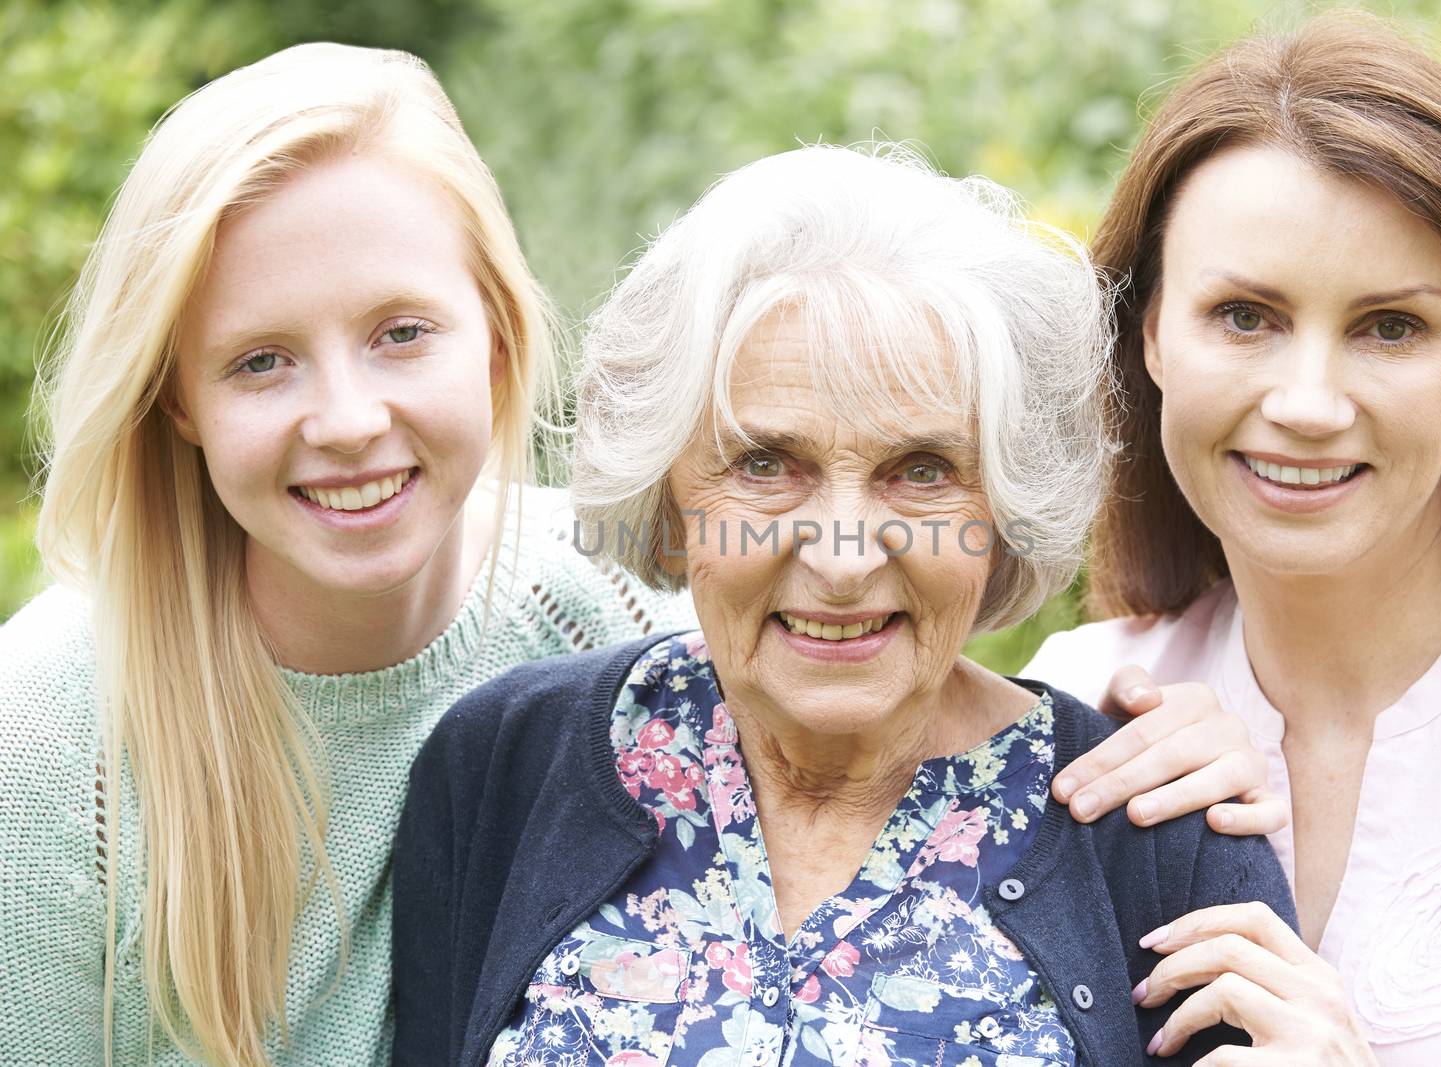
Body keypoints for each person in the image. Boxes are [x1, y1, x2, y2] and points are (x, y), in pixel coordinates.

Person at [392, 144, 1297, 1067]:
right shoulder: (503, 766)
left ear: (1004, 509)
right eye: (765, 463)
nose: (842, 556)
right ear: (670, 491)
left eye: (922, 470)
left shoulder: (1162, 841)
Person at [0, 44, 694, 1066]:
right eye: (260, 361)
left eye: (402, 332)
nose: (347, 419)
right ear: (178, 399)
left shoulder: (633, 613)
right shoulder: (52, 744)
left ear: (495, 340)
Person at [1026, 14, 1441, 1064]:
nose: (1307, 403)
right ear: (1148, 328)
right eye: (1245, 315)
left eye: (1391, 326)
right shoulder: (1072, 712)